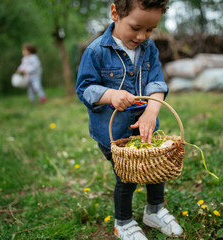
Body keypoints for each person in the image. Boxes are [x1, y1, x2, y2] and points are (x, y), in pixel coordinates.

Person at [76, 0, 183, 239]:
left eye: (149, 30)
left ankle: (154, 210)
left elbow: (156, 83)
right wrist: (111, 95)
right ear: (115, 13)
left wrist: (151, 113)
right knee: (127, 175)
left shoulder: (149, 49)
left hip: (145, 128)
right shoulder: (96, 51)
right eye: (135, 28)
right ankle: (123, 222)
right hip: (112, 132)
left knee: (156, 167)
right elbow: (85, 89)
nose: (142, 36)